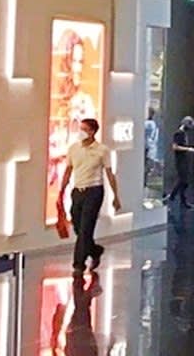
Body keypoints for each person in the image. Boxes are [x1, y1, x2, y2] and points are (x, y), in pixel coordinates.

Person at [58, 116, 123, 277]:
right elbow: (68, 170)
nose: (80, 132)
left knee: (86, 228)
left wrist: (115, 196)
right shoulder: (74, 149)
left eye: (84, 129)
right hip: (77, 191)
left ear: (92, 132)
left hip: (94, 191)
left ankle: (78, 264)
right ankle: (95, 250)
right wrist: (62, 190)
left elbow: (109, 173)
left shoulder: (102, 150)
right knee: (78, 226)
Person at [167, 115, 194, 210]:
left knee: (185, 181)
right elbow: (175, 147)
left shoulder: (183, 133)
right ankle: (171, 197)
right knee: (182, 180)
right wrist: (188, 149)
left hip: (184, 159)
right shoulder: (178, 133)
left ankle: (183, 201)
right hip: (180, 160)